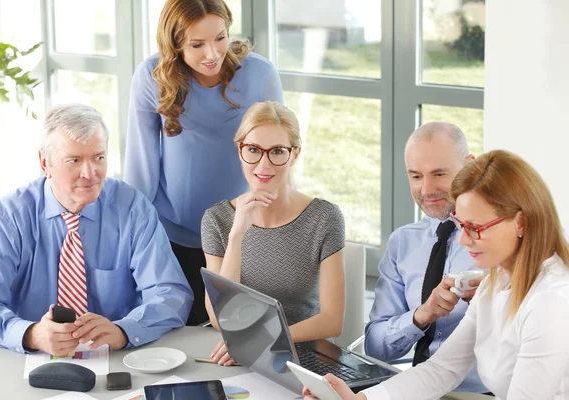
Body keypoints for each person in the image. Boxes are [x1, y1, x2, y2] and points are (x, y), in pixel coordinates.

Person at [304, 149, 569, 399]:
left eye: (476, 228)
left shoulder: (549, 302)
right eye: (461, 225)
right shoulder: (495, 283)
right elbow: (442, 370)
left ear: (520, 222)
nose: (464, 241)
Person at [0, 104, 193, 356]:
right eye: (74, 160)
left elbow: (171, 293)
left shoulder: (132, 208)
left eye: (98, 157)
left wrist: (125, 330)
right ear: (45, 163)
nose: (90, 173)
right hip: (24, 358)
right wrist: (30, 334)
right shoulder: (8, 217)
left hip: (116, 358)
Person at [124, 0, 283, 326]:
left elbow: (276, 159)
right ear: (175, 42)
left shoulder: (260, 75)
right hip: (172, 237)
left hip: (241, 235)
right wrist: (134, 238)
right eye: (197, 44)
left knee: (239, 335)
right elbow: (141, 166)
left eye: (220, 38)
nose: (212, 54)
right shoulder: (151, 76)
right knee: (173, 335)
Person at [201, 101, 345, 366]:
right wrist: (237, 235)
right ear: (240, 150)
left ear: (295, 154)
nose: (264, 165)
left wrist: (263, 341)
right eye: (253, 150)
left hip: (305, 357)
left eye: (277, 151)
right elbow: (220, 320)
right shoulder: (217, 219)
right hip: (242, 357)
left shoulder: (324, 218)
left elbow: (332, 321)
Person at [364, 122, 486, 393]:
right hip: (415, 387)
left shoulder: (496, 241)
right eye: (416, 176)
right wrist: (420, 316)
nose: (427, 189)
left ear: (469, 166)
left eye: (439, 174)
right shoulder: (403, 242)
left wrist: (492, 306)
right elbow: (374, 347)